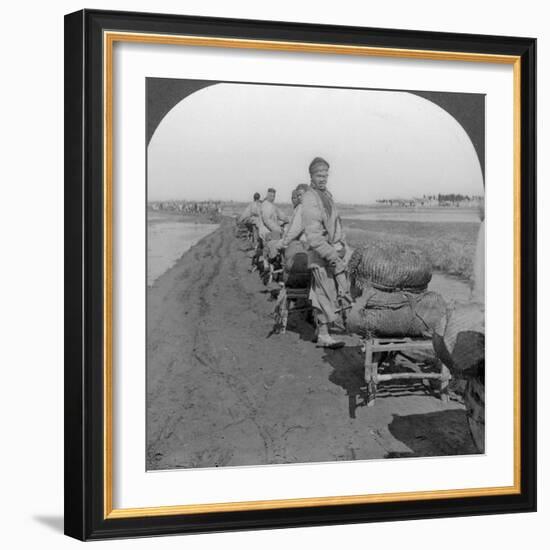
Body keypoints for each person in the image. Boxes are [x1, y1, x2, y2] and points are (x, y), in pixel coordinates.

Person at [301, 157, 351, 348]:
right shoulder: (310, 198)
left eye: (325, 175)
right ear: (311, 176)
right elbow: (314, 237)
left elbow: (336, 224)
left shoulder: (326, 195)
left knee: (335, 292)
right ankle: (323, 335)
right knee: (323, 293)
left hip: (334, 252)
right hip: (321, 255)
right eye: (319, 175)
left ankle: (325, 329)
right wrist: (332, 256)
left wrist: (343, 245)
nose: (322, 179)